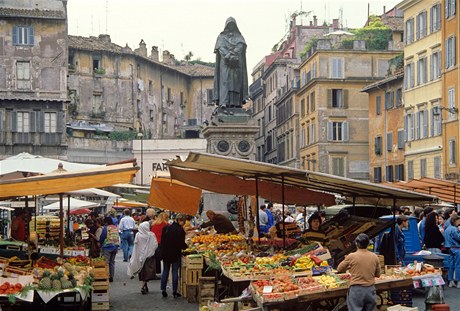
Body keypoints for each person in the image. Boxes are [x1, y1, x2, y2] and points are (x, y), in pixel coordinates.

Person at [337, 233, 381, 311]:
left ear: (356, 244)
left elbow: (339, 269)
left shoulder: (352, 256)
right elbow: (378, 274)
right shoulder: (374, 257)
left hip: (356, 290)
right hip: (370, 289)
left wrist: (349, 266)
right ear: (368, 244)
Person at [213, 17, 248, 108]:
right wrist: (227, 55)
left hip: (236, 63)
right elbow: (220, 48)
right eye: (229, 24)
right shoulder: (221, 37)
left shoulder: (240, 37)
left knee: (236, 83)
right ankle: (224, 102)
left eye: (232, 24)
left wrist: (232, 54)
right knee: (224, 82)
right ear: (226, 26)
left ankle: (236, 102)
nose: (231, 26)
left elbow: (241, 46)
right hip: (225, 63)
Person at [160, 214, 188, 298]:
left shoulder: (166, 228)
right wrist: (186, 246)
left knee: (165, 271)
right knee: (175, 271)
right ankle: (174, 291)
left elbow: (162, 241)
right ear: (180, 220)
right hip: (175, 253)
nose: (183, 224)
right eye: (183, 222)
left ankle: (163, 289)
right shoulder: (180, 230)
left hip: (165, 253)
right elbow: (181, 244)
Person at [127, 222, 158, 294]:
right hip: (149, 256)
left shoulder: (138, 235)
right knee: (147, 272)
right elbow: (155, 245)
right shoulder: (151, 235)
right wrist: (150, 251)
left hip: (140, 256)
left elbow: (135, 244)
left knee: (143, 272)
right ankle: (143, 285)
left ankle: (144, 285)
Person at [97, 217, 119, 282]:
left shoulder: (106, 228)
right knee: (112, 262)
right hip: (115, 246)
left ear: (106, 222)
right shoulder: (115, 227)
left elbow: (102, 237)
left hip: (108, 246)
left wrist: (100, 243)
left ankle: (106, 275)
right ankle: (111, 276)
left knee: (106, 262)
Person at [444, 214, 460, 288]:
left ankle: (451, 281)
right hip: (456, 248)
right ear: (455, 221)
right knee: (458, 265)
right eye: (458, 221)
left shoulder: (447, 229)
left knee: (451, 265)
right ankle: (458, 281)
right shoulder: (454, 229)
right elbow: (458, 238)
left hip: (449, 248)